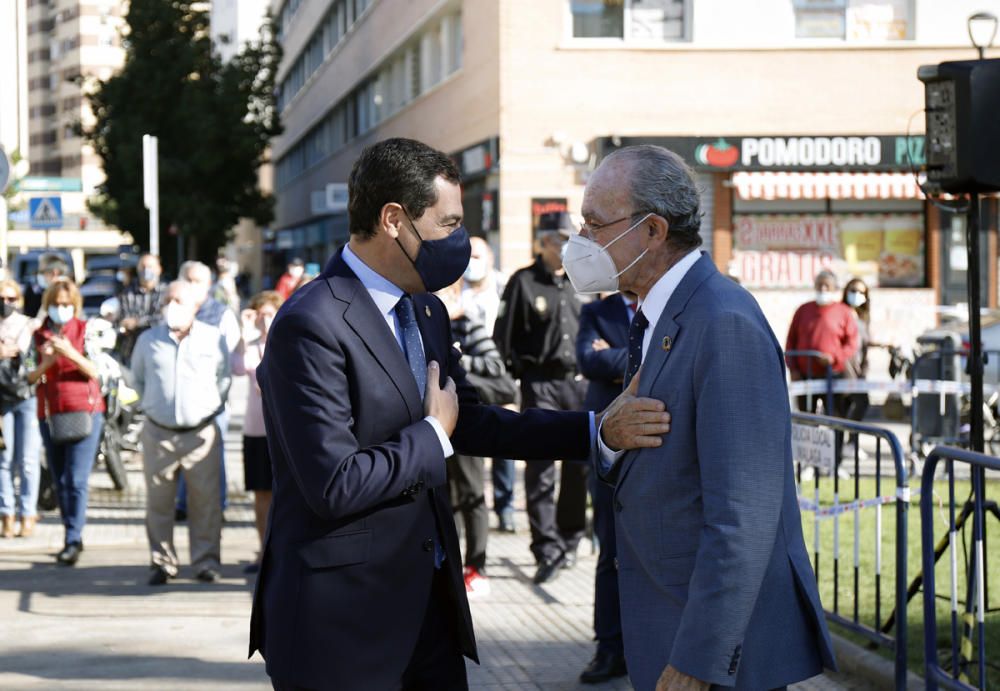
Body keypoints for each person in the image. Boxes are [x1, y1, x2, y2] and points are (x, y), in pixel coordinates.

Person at [249, 137, 668, 691]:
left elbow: (470, 420)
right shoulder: (311, 322)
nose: (462, 243)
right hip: (341, 626)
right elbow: (333, 483)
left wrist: (597, 430)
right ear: (394, 219)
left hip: (428, 613)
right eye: (448, 224)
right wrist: (430, 433)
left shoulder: (425, 309)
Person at [570, 144, 836, 690]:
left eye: (595, 225)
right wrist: (610, 440)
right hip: (666, 623)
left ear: (652, 231)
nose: (583, 241)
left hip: (711, 654)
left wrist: (700, 658)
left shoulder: (722, 320)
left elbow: (744, 514)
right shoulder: (663, 312)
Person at [493, 227, 590, 584]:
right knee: (540, 472)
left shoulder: (583, 280)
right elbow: (504, 337)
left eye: (570, 239)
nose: (565, 247)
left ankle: (570, 538)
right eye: (558, 240)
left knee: (578, 469)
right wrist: (520, 377)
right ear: (543, 243)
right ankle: (546, 548)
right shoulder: (523, 282)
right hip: (540, 384)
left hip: (577, 383)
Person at [131, 281, 231, 585]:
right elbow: (137, 380)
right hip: (158, 433)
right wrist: (153, 407)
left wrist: (207, 407)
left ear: (195, 306)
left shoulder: (213, 338)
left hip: (200, 434)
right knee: (159, 503)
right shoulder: (148, 340)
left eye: (178, 300)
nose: (172, 305)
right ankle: (162, 562)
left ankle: (206, 562)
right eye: (168, 300)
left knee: (205, 503)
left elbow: (223, 380)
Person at [574, 290, 635, 684]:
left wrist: (617, 360)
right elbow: (588, 360)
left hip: (657, 441)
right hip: (609, 446)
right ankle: (610, 647)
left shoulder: (666, 305)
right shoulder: (597, 310)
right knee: (610, 549)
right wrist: (644, 363)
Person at [438, 279, 508, 598]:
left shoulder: (467, 322)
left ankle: (477, 566)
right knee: (445, 496)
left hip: (465, 420)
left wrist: (456, 360)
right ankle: (449, 564)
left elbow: (495, 364)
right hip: (434, 422)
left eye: (442, 292)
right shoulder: (423, 320)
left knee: (471, 494)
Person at [27, 278, 105, 566]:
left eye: (66, 304)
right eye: (56, 304)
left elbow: (97, 371)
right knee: (60, 481)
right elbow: (28, 377)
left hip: (86, 411)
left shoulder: (87, 330)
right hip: (50, 413)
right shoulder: (38, 335)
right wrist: (46, 362)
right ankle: (70, 531)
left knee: (76, 479)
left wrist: (69, 352)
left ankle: (73, 537)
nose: (61, 309)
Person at [175, 260, 240, 517]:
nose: (192, 286)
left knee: (214, 457)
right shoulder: (174, 310)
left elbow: (231, 359)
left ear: (209, 285)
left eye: (197, 281)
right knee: (180, 454)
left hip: (213, 401)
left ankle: (218, 505)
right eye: (188, 280)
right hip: (181, 399)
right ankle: (182, 504)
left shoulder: (222, 313)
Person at [460, 236, 516, 533]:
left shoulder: (504, 289)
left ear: (491, 259)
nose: (473, 263)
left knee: (505, 447)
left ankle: (505, 508)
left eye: (478, 256)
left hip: (501, 379)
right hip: (472, 383)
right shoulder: (456, 293)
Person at [232, 290, 283, 574]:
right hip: (255, 428)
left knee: (284, 492)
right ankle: (263, 550)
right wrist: (244, 331)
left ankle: (282, 551)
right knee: (261, 494)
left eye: (270, 314)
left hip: (281, 429)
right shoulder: (251, 345)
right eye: (260, 314)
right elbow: (238, 367)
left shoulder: (286, 342)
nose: (265, 320)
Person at [785, 270, 859, 414]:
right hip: (805, 376)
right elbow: (790, 341)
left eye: (827, 286)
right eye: (820, 285)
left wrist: (834, 357)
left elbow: (851, 343)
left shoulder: (843, 312)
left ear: (834, 288)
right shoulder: (803, 310)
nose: (823, 289)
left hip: (833, 375)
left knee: (836, 418)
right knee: (807, 421)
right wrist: (793, 369)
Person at [0, 281, 41, 538]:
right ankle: (7, 513)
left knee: (27, 459)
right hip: (1, 398)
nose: (6, 303)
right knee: (4, 460)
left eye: (11, 298)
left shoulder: (29, 325)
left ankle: (28, 512)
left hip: (27, 396)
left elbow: (34, 359)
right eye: (2, 298)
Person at [115, 253, 167, 363]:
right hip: (131, 351)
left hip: (158, 350)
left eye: (150, 267)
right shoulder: (126, 293)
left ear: (159, 269)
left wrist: (137, 322)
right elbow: (123, 320)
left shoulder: (166, 293)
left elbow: (162, 320)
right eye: (143, 267)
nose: (146, 270)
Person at [838, 277, 872, 424]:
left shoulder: (863, 317)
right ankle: (845, 444)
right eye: (853, 290)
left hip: (859, 367)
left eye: (860, 292)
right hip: (844, 367)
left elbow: (863, 340)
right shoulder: (840, 312)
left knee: (859, 405)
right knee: (844, 408)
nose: (856, 294)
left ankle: (851, 441)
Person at [23, 253, 70, 319]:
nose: (41, 275)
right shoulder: (33, 291)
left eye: (44, 272)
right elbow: (29, 315)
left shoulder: (68, 291)